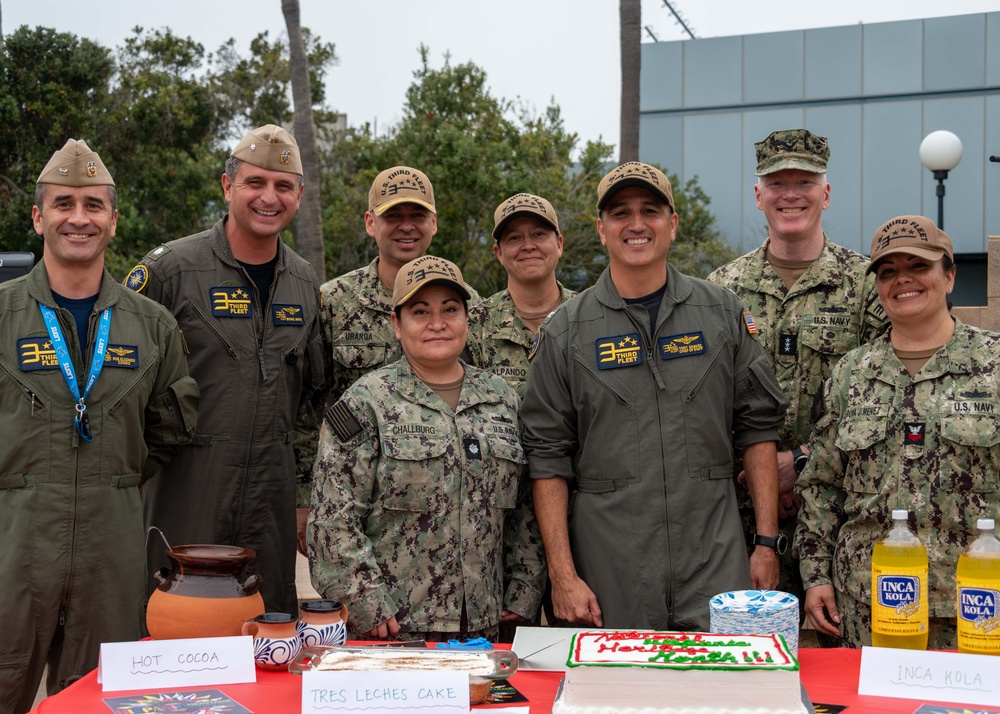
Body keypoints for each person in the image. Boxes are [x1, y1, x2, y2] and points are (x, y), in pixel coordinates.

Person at [520, 162, 790, 631]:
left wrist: (766, 544)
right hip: (609, 576)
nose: (637, 224)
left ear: (673, 224)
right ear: (602, 230)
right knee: (614, 700)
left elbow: (759, 427)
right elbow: (546, 458)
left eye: (651, 210)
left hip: (715, 567)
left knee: (718, 698)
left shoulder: (720, 313)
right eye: (621, 213)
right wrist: (563, 576)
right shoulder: (567, 331)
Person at [0, 140, 198, 713]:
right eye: (63, 204)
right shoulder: (4, 316)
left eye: (93, 205)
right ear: (38, 217)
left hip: (110, 549)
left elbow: (168, 430)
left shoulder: (152, 326)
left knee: (98, 698)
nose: (78, 218)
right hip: (14, 543)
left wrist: (112, 478)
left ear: (113, 220)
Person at [125, 125, 325, 616]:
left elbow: (310, 403)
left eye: (282, 186)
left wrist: (300, 495)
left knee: (265, 632)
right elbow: (117, 384)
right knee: (172, 626)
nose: (268, 197)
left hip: (269, 500)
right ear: (227, 185)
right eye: (255, 183)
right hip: (185, 490)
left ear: (298, 195)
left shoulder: (303, 283)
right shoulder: (171, 271)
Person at [309, 255, 545, 640]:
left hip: (486, 628)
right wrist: (365, 600)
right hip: (395, 630)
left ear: (467, 319)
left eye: (450, 310)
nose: (438, 324)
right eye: (421, 312)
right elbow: (333, 518)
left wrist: (523, 592)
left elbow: (525, 510)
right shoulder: (366, 402)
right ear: (397, 325)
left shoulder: (501, 399)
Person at [796, 215, 999, 649]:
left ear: (948, 277)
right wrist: (815, 575)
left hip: (977, 609)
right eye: (888, 272)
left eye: (918, 266)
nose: (902, 280)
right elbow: (821, 486)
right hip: (869, 609)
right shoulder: (851, 374)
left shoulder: (994, 368)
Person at [707, 129, 886, 610]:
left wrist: (802, 459)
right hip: (740, 520)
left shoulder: (867, 285)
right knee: (741, 658)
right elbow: (702, 400)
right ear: (758, 195)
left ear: (825, 194)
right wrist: (760, 468)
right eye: (777, 182)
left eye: (804, 182)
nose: (790, 195)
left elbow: (881, 398)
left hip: (839, 513)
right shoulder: (720, 290)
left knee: (837, 662)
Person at [321, 166, 479, 407]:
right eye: (393, 216)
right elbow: (307, 402)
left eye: (418, 215)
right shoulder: (333, 301)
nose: (406, 227)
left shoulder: (469, 303)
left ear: (433, 223)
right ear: (370, 223)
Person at [469, 193, 576, 398]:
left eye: (538, 234)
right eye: (514, 238)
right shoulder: (474, 327)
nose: (528, 246)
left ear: (559, 244)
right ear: (499, 253)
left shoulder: (590, 316)